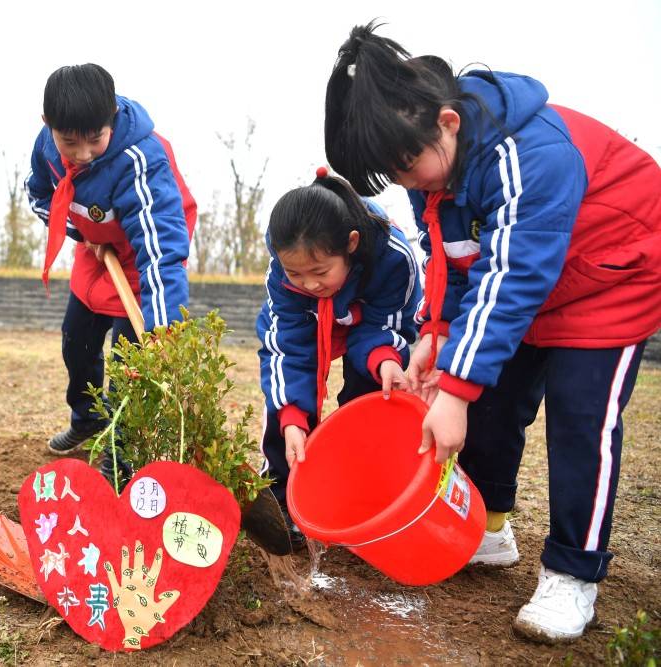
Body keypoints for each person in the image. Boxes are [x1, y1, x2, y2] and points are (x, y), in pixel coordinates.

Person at [323, 22, 661, 642]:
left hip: (612, 276)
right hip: (536, 288)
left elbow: (512, 276)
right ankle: (490, 529)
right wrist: (439, 334)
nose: (407, 184)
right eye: (393, 177)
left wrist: (453, 389)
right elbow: (455, 262)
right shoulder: (444, 177)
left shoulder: (530, 153)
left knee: (580, 418)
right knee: (494, 404)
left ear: (448, 121)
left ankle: (572, 574)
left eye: (405, 166)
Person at [25, 64, 196, 477]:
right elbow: (39, 195)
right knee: (77, 341)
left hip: (143, 261)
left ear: (113, 120)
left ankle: (119, 460)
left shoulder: (141, 160)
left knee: (130, 362)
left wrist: (162, 332)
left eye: (95, 140)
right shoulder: (47, 146)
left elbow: (160, 251)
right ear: (49, 124)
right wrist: (80, 234)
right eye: (70, 143)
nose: (82, 154)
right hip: (97, 250)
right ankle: (88, 418)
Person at [256, 171, 420, 551]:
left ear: (351, 244)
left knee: (367, 402)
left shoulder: (393, 258)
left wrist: (385, 359)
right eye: (296, 274)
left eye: (319, 272)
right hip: (311, 323)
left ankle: (358, 500)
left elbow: (388, 322)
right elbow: (286, 347)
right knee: (286, 416)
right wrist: (293, 418)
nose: (308, 284)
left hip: (369, 321)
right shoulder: (283, 273)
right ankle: (282, 498)